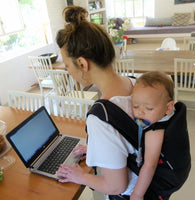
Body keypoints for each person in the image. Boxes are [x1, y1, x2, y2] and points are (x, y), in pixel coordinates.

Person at [55, 5, 138, 198]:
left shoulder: (101, 118)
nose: (68, 71)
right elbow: (128, 140)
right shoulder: (134, 83)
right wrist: (97, 146)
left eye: (67, 65)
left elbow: (116, 186)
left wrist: (81, 176)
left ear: (82, 64)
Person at [129, 71, 191, 200]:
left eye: (149, 108)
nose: (140, 112)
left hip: (169, 177)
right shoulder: (169, 113)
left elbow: (149, 165)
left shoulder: (156, 132)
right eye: (135, 106)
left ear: (168, 107)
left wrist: (137, 194)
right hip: (182, 167)